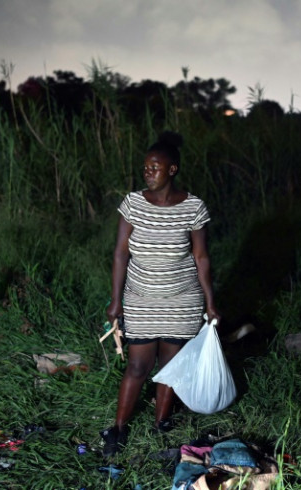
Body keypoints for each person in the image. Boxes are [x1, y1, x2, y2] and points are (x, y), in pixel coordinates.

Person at [101, 131, 220, 457]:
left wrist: (210, 303)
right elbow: (120, 254)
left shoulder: (193, 207)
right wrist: (116, 299)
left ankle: (160, 424)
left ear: (172, 169)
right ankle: (119, 428)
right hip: (141, 297)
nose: (148, 172)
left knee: (171, 365)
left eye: (155, 167)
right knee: (138, 366)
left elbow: (201, 257)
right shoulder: (133, 203)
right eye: (145, 168)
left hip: (182, 298)